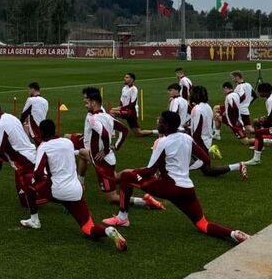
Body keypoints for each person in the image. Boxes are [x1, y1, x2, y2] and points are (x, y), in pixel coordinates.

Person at [104, 111, 250, 244]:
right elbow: (206, 159)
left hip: (170, 187)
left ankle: (122, 218)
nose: (157, 122)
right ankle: (233, 233)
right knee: (202, 224)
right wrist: (188, 168)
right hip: (187, 189)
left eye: (160, 121)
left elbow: (149, 171)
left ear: (166, 126)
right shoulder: (186, 137)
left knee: (127, 176)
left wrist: (127, 174)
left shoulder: (163, 142)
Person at [21, 119, 128, 251]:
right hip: (76, 191)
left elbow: (37, 173)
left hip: (57, 191)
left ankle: (34, 220)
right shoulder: (68, 142)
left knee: (28, 180)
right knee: (89, 229)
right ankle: (107, 231)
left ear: (42, 132)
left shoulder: (44, 147)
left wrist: (37, 179)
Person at [77, 87, 160, 215]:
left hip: (102, 161)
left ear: (93, 103)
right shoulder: (107, 116)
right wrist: (116, 146)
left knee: (112, 198)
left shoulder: (92, 119)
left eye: (87, 103)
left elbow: (104, 134)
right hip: (103, 157)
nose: (85, 105)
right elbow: (124, 130)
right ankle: (80, 183)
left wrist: (105, 150)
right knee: (83, 154)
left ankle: (144, 201)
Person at [0, 97, 45, 212]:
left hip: (24, 162)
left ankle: (64, 200)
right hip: (31, 155)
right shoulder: (11, 117)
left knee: (26, 202)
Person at [188, 85, 247, 180]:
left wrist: (199, 148)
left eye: (191, 93)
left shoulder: (197, 109)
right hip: (207, 139)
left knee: (207, 170)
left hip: (200, 141)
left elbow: (197, 131)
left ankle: (238, 166)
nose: (189, 95)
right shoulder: (207, 106)